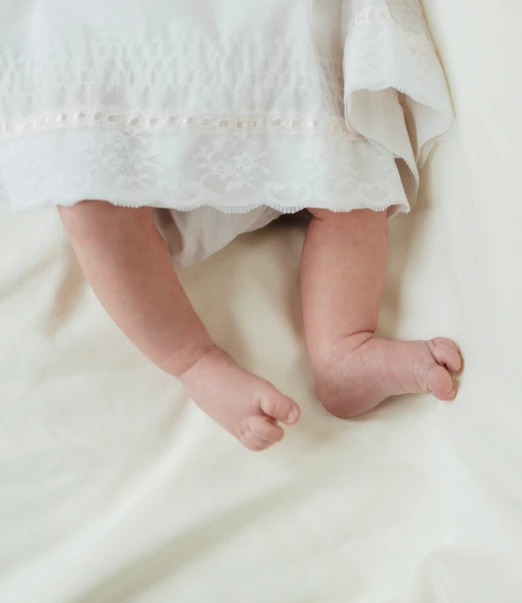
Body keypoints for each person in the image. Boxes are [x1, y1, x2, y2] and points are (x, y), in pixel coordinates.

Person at [0, 0, 461, 450]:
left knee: (352, 169)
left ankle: (343, 349)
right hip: (130, 92)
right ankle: (194, 360)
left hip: (276, 83)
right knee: (90, 196)